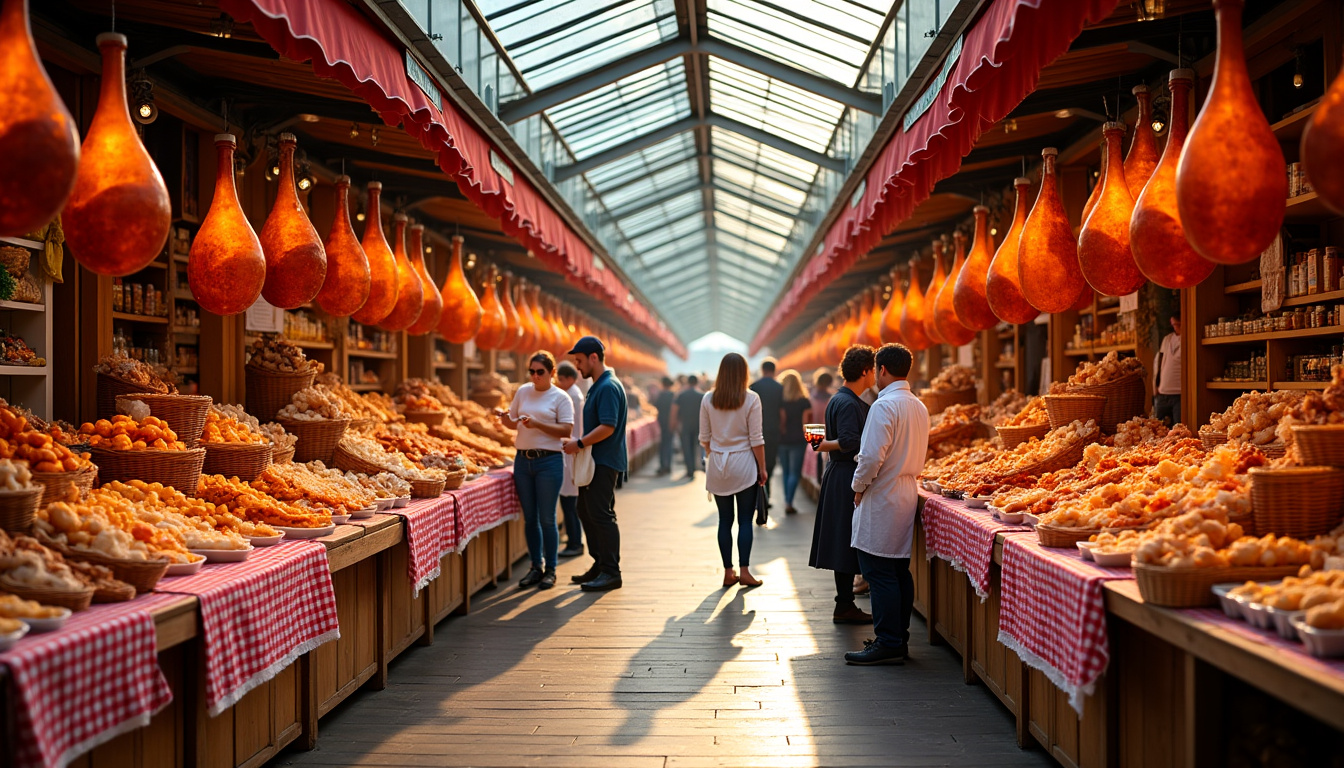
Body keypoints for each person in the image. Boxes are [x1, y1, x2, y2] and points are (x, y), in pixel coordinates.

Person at [845, 343, 930, 666]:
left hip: (883, 493)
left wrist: (857, 486)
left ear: (882, 370)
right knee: (897, 570)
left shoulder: (884, 406)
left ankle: (888, 640)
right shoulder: (918, 406)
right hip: (906, 490)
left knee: (878, 571)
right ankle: (899, 635)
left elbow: (870, 457)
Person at [808, 346, 876, 626]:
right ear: (864, 371)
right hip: (847, 473)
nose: (875, 374)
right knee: (847, 540)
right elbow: (850, 441)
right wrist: (823, 445)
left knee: (842, 539)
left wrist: (822, 445)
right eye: (873, 369)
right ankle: (845, 604)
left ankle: (844, 603)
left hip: (838, 473)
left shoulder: (840, 398)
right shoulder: (849, 403)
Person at [497, 351, 574, 589]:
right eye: (531, 371)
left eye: (540, 372)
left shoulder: (561, 397)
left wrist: (538, 423)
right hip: (523, 460)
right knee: (530, 519)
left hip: (548, 461)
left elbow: (566, 430)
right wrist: (505, 420)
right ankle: (535, 566)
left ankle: (551, 569)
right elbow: (513, 422)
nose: (535, 376)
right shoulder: (523, 391)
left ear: (552, 373)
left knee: (547, 518)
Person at [562, 336, 628, 592]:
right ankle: (600, 564)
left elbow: (607, 426)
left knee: (600, 514)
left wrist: (579, 443)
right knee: (586, 510)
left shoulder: (608, 386)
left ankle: (611, 571)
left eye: (579, 361)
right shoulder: (600, 384)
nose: (577, 367)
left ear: (593, 357)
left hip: (603, 460)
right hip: (596, 460)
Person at [699, 353, 767, 588]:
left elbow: (704, 438)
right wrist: (762, 468)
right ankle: (745, 571)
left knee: (724, 520)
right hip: (744, 463)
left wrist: (715, 453)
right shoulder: (751, 399)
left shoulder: (708, 399)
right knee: (745, 520)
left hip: (718, 464)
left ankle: (728, 572)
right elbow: (756, 438)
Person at [556, 361, 585, 558]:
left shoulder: (572, 396)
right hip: (570, 448)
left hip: (570, 449)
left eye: (561, 379)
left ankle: (575, 542)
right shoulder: (574, 394)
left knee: (570, 501)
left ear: (570, 379)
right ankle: (574, 539)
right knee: (569, 500)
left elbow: (576, 427)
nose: (559, 382)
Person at [750, 359, 783, 505]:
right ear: (774, 371)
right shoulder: (779, 388)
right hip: (773, 430)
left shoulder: (753, 387)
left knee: (756, 463)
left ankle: (757, 496)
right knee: (769, 463)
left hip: (755, 431)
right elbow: (782, 412)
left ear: (762, 370)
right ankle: (766, 494)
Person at [777, 369, 811, 515]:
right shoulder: (804, 401)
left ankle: (787, 499)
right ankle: (788, 502)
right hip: (798, 439)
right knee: (794, 472)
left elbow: (782, 421)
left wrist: (783, 431)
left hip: (783, 439)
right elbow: (805, 423)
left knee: (785, 471)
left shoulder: (781, 401)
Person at [672, 375, 703, 480]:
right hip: (698, 425)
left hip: (685, 425)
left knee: (686, 448)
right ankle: (694, 468)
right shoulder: (701, 395)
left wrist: (674, 424)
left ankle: (690, 470)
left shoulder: (682, 395)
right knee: (695, 447)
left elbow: (674, 410)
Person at [1153, 312, 1181, 426]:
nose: (1176, 327)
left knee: (1178, 427)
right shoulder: (1167, 339)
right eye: (1174, 324)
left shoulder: (1189, 338)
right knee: (1157, 426)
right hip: (1163, 392)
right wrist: (1155, 385)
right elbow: (1159, 362)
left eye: (1179, 324)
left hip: (1180, 393)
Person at [808, 370, 834, 486]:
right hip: (827, 431)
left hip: (813, 429)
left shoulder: (811, 397)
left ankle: (819, 482)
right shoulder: (832, 398)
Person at [652, 376, 676, 476]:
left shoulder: (661, 395)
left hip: (662, 422)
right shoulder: (673, 395)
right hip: (671, 421)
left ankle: (663, 466)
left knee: (662, 445)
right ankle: (668, 466)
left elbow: (656, 406)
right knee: (669, 444)